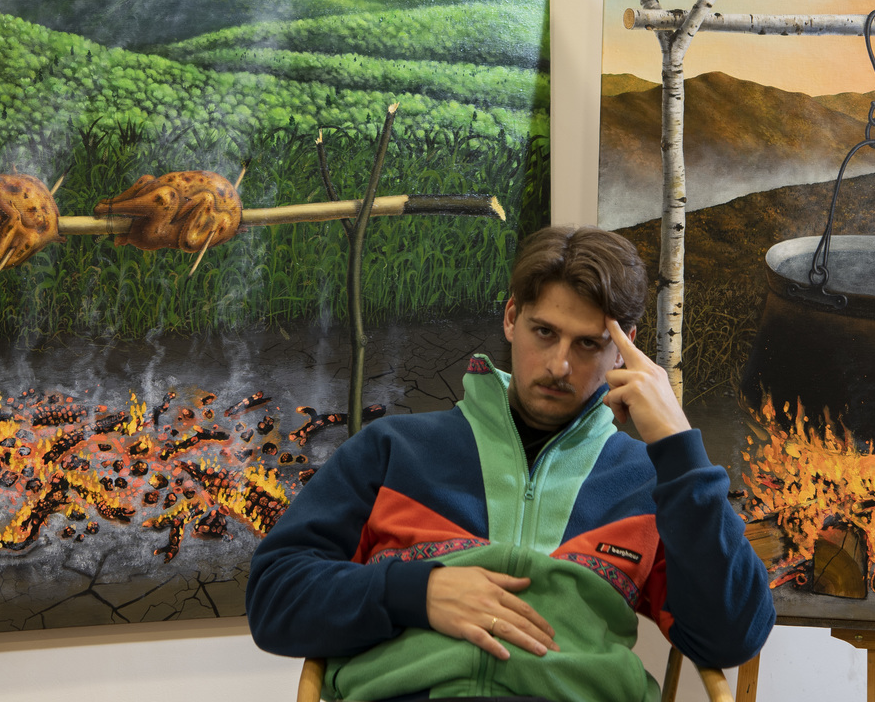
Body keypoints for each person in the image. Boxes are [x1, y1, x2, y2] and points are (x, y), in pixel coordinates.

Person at [246, 225, 774, 702]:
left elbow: (731, 636)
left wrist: (679, 448)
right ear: (511, 318)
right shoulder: (392, 449)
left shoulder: (654, 485)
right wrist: (416, 593)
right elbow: (275, 597)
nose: (559, 365)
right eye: (544, 332)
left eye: (588, 344)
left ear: (623, 350)